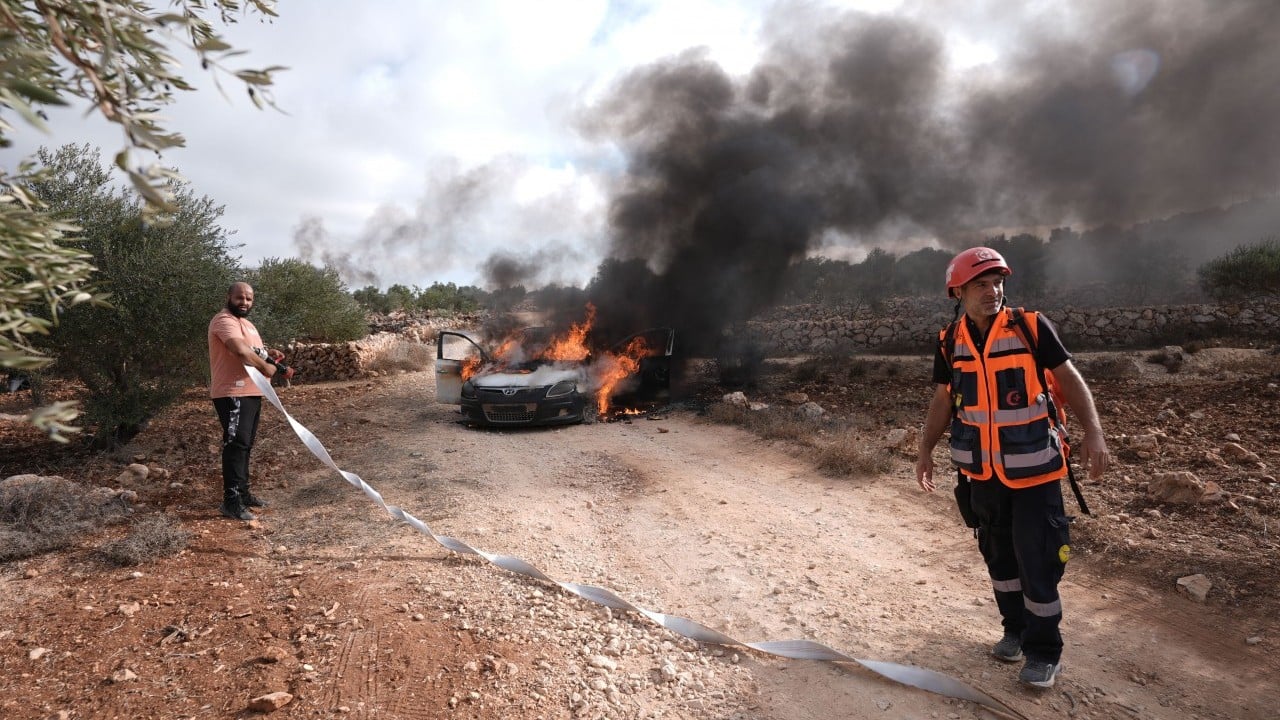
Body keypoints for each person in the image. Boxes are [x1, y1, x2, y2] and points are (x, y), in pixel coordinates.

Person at [914, 247, 1109, 689]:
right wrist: (925, 449)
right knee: (999, 557)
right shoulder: (950, 340)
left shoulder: (1032, 327)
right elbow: (944, 399)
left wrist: (1093, 432)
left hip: (1035, 470)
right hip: (981, 474)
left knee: (1036, 559)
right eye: (981, 284)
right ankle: (1014, 632)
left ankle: (1044, 652)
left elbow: (1070, 378)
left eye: (998, 282)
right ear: (957, 291)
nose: (993, 291)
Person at [208, 282, 293, 521]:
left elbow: (255, 350)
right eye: (239, 298)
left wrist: (270, 354)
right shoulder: (223, 321)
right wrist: (267, 367)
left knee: (245, 444)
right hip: (232, 392)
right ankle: (231, 501)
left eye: (249, 299)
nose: (244, 302)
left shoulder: (248, 324)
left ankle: (243, 494)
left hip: (253, 391)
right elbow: (241, 351)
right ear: (229, 297)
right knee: (235, 444)